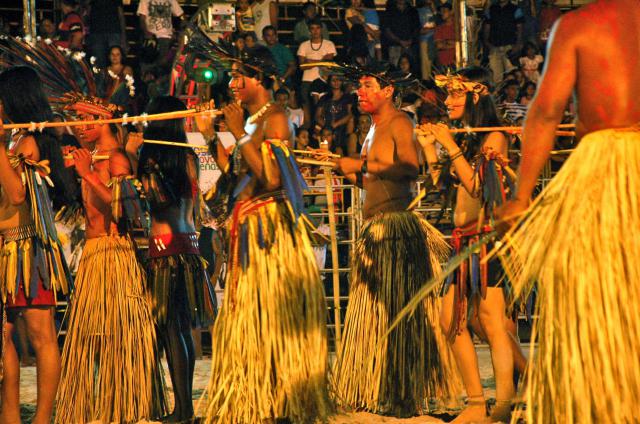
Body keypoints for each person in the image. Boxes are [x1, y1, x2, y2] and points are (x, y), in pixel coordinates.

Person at [496, 1, 640, 422]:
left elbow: (545, 112)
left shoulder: (578, 25)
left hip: (606, 173)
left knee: (599, 306)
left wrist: (521, 196)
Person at [196, 45, 331, 423]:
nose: (233, 83)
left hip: (269, 233)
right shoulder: (254, 119)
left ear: (261, 77)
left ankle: (284, 400)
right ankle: (262, 397)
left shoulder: (275, 119)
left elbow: (271, 178)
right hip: (247, 226)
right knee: (252, 316)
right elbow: (236, 175)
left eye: (240, 76)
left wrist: (237, 132)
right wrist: (210, 139)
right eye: (233, 76)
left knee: (273, 317)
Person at [331, 65, 460, 417]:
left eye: (368, 85)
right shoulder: (371, 129)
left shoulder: (401, 122)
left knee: (398, 315)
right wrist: (350, 169)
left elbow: (409, 167)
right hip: (375, 229)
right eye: (359, 86)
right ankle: (376, 388)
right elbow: (373, 180)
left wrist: (360, 164)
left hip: (395, 230)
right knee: (373, 315)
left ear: (388, 91)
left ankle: (402, 394)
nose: (360, 92)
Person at [418, 68, 525, 423]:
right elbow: (443, 185)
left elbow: (479, 187)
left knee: (493, 323)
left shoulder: (493, 136)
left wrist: (448, 145)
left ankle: (503, 404)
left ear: (475, 96)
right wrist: (431, 151)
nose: (447, 102)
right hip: (463, 241)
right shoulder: (467, 140)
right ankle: (477, 402)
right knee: (451, 321)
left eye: (454, 95)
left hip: (486, 242)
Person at [56, 98, 165, 423]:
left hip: (114, 256)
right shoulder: (93, 157)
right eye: (75, 119)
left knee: (119, 336)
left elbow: (125, 210)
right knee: (96, 336)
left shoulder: (116, 159)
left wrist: (87, 174)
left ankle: (126, 405)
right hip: (93, 256)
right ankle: (101, 404)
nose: (79, 125)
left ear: (104, 120)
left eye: (85, 119)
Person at [0, 66, 75, 424]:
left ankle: (43, 417)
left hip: (28, 250)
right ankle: (10, 414)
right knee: (5, 334)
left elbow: (17, 194)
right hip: (6, 249)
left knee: (42, 334)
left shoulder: (32, 142)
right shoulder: (15, 140)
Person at [137, 96, 217, 422]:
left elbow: (158, 204)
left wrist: (143, 167)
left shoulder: (154, 159)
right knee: (180, 329)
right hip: (189, 245)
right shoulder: (188, 156)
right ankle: (184, 407)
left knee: (172, 328)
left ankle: (182, 409)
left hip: (167, 247)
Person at [297, 18, 336, 129]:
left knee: (322, 106)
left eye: (317, 28)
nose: (315, 31)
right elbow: (302, 66)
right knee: (305, 102)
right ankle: (308, 126)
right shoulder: (304, 45)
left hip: (323, 80)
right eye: (312, 29)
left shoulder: (329, 44)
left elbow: (328, 63)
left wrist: (310, 61)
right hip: (307, 80)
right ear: (309, 30)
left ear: (321, 29)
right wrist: (321, 60)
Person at [483, 0, 524, 83]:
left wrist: (517, 45)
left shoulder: (515, 9)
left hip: (510, 46)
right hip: (494, 46)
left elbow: (520, 28)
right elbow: (487, 25)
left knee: (512, 75)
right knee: (496, 76)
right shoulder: (491, 9)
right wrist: (486, 41)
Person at [137, 0, 184, 70]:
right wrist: (146, 32)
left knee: (163, 65)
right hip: (152, 38)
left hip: (166, 37)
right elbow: (142, 18)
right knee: (149, 65)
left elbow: (180, 15)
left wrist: (182, 27)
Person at [86, 0, 128, 69]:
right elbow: (88, 11)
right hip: (98, 32)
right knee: (98, 63)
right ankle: (102, 79)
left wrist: (123, 36)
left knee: (115, 61)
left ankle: (114, 79)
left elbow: (120, 14)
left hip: (111, 31)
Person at [383, 0, 420, 67]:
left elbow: (417, 27)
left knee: (412, 68)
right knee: (395, 68)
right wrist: (399, 41)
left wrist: (411, 40)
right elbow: (387, 29)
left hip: (410, 45)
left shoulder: (412, 11)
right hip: (394, 45)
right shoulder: (390, 10)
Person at [434, 2, 456, 68]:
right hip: (443, 64)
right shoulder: (439, 28)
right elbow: (439, 45)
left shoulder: (458, 27)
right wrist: (452, 43)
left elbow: (461, 43)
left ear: (451, 12)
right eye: (441, 11)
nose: (442, 13)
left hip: (456, 62)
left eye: (444, 11)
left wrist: (445, 42)